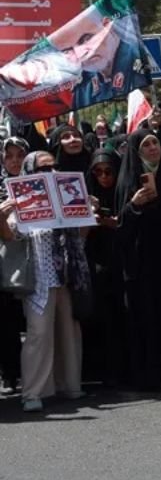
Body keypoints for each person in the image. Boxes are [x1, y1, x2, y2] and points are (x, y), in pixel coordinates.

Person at [1, 151, 90, 413]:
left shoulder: (67, 192)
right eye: (43, 168)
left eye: (54, 167)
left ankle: (70, 385)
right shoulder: (21, 198)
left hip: (67, 275)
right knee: (38, 333)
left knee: (69, 329)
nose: (50, 172)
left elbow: (81, 235)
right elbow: (10, 237)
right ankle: (33, 392)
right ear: (31, 171)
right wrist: (2, 215)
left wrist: (85, 211)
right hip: (39, 276)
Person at [115, 121, 161, 390]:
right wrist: (135, 205)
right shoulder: (129, 178)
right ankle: (148, 372)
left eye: (155, 142)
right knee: (146, 314)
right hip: (142, 261)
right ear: (136, 151)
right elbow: (120, 225)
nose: (153, 147)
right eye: (146, 145)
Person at [82, 148, 124, 386]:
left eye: (109, 171)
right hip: (97, 263)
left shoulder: (124, 193)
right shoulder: (91, 195)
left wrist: (117, 222)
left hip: (122, 263)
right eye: (98, 172)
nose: (104, 177)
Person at [0, 136, 29, 394]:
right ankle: (11, 374)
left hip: (34, 258)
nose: (15, 161)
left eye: (20, 155)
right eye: (9, 156)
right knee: (7, 318)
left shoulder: (37, 184)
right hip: (5, 261)